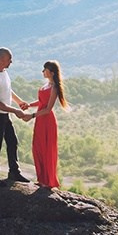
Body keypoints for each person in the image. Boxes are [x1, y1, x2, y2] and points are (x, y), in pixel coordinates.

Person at [0, 47, 32, 186]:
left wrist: (19, 102)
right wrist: (15, 111)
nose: (11, 62)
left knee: (12, 142)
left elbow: (8, 90)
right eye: (9, 59)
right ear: (0, 59)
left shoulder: (3, 73)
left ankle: (14, 172)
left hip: (4, 114)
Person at [30, 59, 69, 189]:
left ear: (51, 72)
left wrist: (32, 115)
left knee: (47, 149)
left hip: (47, 120)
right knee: (37, 147)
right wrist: (29, 105)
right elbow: (41, 102)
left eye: (44, 70)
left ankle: (48, 181)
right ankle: (41, 179)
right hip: (40, 119)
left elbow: (48, 109)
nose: (42, 72)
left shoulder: (54, 87)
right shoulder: (46, 85)